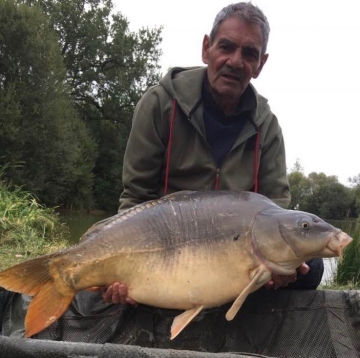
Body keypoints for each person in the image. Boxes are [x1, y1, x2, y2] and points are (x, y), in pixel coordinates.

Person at [102, 2, 324, 305]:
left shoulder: (267, 127)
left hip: (235, 252)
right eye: (226, 47)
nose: (235, 61)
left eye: (249, 53)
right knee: (113, 271)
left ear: (261, 64)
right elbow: (135, 197)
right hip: (165, 245)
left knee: (312, 267)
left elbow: (277, 211)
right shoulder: (160, 104)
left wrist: (282, 264)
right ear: (207, 48)